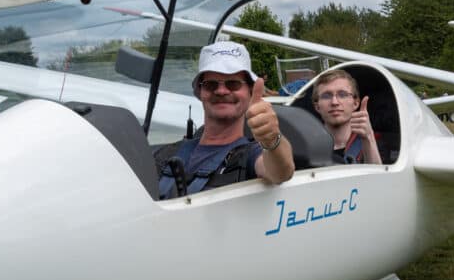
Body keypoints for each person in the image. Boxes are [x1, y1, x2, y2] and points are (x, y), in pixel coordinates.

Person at [155, 42, 294, 199]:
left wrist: (272, 140)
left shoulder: (250, 155)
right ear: (200, 92)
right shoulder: (165, 154)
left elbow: (281, 172)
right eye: (211, 84)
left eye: (233, 84)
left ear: (250, 91)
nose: (221, 91)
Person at [312, 70, 381, 164]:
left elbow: (380, 177)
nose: (334, 102)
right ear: (317, 106)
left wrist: (368, 137)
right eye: (326, 96)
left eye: (342, 95)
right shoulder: (306, 148)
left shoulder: (379, 144)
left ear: (356, 103)